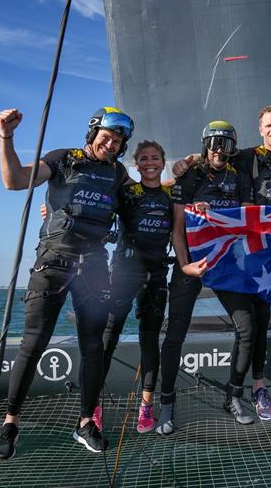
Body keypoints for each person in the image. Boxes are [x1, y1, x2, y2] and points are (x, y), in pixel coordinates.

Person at [0, 107, 133, 460]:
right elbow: (13, 180)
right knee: (33, 342)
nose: (112, 144)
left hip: (95, 267)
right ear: (92, 131)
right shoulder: (62, 158)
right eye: (107, 136)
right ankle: (10, 423)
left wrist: (181, 174)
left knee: (93, 346)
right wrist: (6, 136)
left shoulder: (118, 174)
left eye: (118, 141)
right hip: (53, 261)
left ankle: (86, 423)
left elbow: (148, 198)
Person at [173, 106, 271, 392]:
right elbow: (211, 154)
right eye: (268, 125)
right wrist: (185, 162)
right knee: (251, 322)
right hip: (250, 252)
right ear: (260, 130)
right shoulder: (247, 156)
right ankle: (253, 387)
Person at [168, 120, 271, 427]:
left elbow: (247, 220)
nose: (218, 150)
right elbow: (177, 226)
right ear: (204, 144)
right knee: (174, 333)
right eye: (213, 143)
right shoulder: (190, 174)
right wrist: (185, 263)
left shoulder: (239, 177)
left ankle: (234, 396)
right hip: (190, 264)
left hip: (226, 265)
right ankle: (164, 403)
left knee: (247, 328)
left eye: (225, 145)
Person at [100, 140, 207, 434]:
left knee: (149, 341)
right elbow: (98, 209)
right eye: (144, 158)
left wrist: (189, 160)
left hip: (156, 276)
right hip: (122, 275)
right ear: (136, 164)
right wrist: (53, 209)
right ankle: (93, 406)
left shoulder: (171, 194)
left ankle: (146, 406)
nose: (150, 162)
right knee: (108, 338)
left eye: (156, 158)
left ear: (162, 162)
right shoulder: (127, 192)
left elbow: (177, 233)